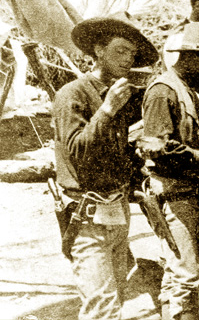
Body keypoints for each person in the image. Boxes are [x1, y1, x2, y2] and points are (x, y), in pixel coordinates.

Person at [53, 16, 158, 320]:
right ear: (98, 50)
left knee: (116, 299)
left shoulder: (119, 94)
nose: (128, 60)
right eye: (121, 51)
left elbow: (117, 153)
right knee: (102, 309)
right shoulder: (72, 94)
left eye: (132, 55)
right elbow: (77, 152)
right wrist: (107, 109)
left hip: (117, 210)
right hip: (86, 216)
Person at [139, 22, 199, 320]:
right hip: (173, 194)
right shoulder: (163, 92)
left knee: (176, 271)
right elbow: (155, 146)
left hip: (185, 191)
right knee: (187, 274)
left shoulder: (184, 89)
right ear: (187, 58)